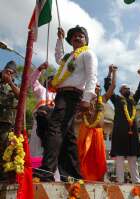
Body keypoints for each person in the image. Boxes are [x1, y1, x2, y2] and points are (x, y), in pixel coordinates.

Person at [34, 25, 98, 182]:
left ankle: (47, 170)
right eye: (73, 36)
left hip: (73, 95)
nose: (76, 38)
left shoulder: (88, 54)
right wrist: (60, 39)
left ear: (86, 39)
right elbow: (58, 57)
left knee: (54, 128)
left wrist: (87, 99)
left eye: (80, 36)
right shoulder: (69, 57)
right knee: (67, 136)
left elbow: (92, 77)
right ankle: (72, 175)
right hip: (61, 95)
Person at [77, 65, 117, 181]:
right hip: (85, 130)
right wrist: (84, 113)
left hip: (98, 132)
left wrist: (112, 73)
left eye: (99, 86)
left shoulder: (102, 99)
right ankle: (83, 177)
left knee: (98, 157)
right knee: (83, 155)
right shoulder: (84, 100)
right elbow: (78, 115)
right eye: (95, 86)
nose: (98, 88)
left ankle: (97, 179)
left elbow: (113, 86)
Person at [104, 67, 140, 184]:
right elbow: (108, 87)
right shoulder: (117, 99)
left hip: (132, 134)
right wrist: (111, 73)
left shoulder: (133, 100)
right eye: (125, 88)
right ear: (120, 91)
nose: (128, 90)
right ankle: (120, 181)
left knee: (133, 159)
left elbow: (139, 91)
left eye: (129, 88)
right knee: (119, 159)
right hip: (120, 133)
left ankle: (136, 181)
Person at [29, 62, 56, 168]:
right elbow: (32, 81)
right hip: (38, 126)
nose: (54, 81)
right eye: (51, 79)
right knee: (36, 150)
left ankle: (50, 174)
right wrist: (39, 69)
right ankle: (35, 172)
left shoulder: (59, 96)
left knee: (51, 151)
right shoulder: (41, 90)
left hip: (52, 128)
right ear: (47, 81)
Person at [0, 60, 19, 181]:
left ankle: (2, 176)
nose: (9, 74)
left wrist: (10, 82)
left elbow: (20, 95)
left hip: (6, 123)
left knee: (4, 149)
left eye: (11, 73)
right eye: (7, 71)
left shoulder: (15, 86)